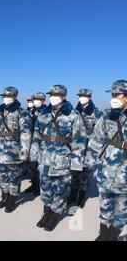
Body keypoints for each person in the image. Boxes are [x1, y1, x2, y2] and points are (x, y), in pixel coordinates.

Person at [30, 85, 85, 231]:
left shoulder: (73, 115)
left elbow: (79, 141)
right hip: (44, 160)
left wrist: (76, 165)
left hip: (62, 161)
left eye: (57, 95)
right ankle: (46, 212)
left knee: (60, 191)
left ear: (64, 96)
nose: (53, 97)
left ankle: (54, 216)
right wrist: (33, 157)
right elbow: (36, 137)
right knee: (45, 189)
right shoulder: (43, 114)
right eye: (52, 95)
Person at [86, 80, 127, 241]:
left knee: (121, 209)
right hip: (105, 170)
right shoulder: (106, 115)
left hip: (124, 173)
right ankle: (103, 233)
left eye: (117, 94)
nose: (113, 98)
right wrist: (89, 162)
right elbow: (96, 139)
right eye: (112, 94)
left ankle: (112, 235)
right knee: (105, 204)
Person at [0, 87, 32, 212]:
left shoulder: (22, 112)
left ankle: (12, 200)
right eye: (5, 97)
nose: (6, 99)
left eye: (9, 97)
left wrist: (24, 153)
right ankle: (4, 198)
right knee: (3, 177)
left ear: (15, 97)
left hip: (14, 152)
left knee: (14, 178)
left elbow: (26, 134)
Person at [69, 89, 102, 208]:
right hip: (74, 147)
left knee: (84, 174)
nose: (82, 98)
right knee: (73, 172)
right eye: (80, 95)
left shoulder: (96, 113)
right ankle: (72, 194)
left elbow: (99, 133)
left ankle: (82, 197)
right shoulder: (74, 112)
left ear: (90, 97)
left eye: (84, 96)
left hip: (88, 148)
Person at [24, 92, 47, 196]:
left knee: (39, 166)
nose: (35, 101)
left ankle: (39, 187)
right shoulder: (32, 111)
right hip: (31, 141)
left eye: (37, 99)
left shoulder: (45, 112)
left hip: (41, 142)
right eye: (34, 99)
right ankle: (33, 184)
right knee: (31, 165)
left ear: (43, 101)